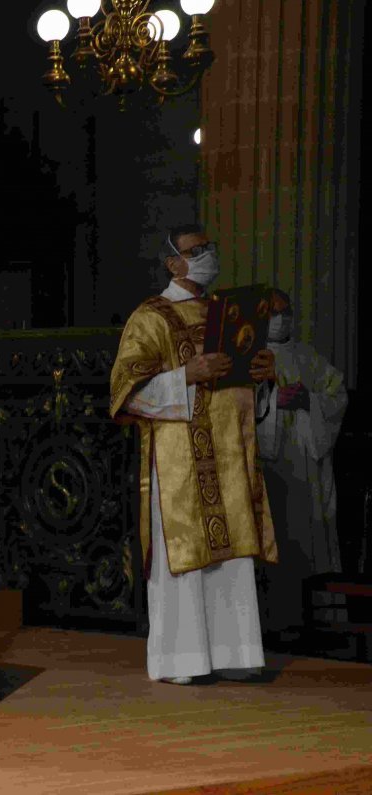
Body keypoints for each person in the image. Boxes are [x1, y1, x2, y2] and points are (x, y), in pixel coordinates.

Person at [110, 223, 279, 685]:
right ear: (172, 263)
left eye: (210, 246)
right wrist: (186, 374)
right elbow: (126, 392)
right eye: (195, 250)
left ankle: (234, 654)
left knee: (232, 557)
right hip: (180, 459)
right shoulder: (151, 317)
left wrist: (261, 376)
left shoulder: (231, 313)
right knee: (184, 555)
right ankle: (181, 661)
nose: (207, 255)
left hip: (229, 454)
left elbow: (244, 391)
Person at [256, 288, 348, 631]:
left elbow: (336, 394)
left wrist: (309, 400)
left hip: (305, 461)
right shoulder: (250, 354)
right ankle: (272, 625)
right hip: (270, 462)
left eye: (287, 310)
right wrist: (274, 401)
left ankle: (315, 626)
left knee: (306, 540)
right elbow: (237, 402)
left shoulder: (307, 355)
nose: (283, 318)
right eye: (274, 312)